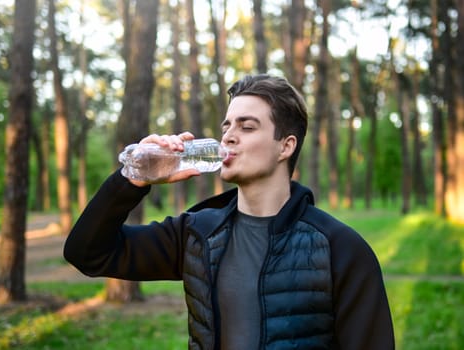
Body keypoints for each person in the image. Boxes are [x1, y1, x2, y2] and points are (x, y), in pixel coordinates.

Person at [64, 74, 395, 349]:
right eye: (227, 126)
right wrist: (132, 177)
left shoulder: (340, 248)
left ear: (286, 146)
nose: (229, 137)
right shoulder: (196, 234)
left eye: (247, 127)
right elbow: (87, 253)